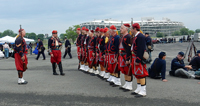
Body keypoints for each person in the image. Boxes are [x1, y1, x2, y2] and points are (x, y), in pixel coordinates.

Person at [130, 23, 148, 98]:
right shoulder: (136, 36)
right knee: (137, 74)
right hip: (134, 56)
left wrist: (138, 59)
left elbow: (141, 49)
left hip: (138, 57)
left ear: (135, 29)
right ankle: (138, 88)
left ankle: (143, 90)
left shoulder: (140, 36)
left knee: (141, 74)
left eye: (131, 28)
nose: (130, 30)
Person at [118, 24, 133, 91]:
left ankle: (129, 85)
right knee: (124, 70)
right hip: (122, 55)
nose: (120, 29)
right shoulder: (123, 36)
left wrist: (128, 58)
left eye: (122, 28)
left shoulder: (128, 37)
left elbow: (129, 49)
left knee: (128, 70)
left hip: (125, 55)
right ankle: (126, 84)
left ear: (126, 29)